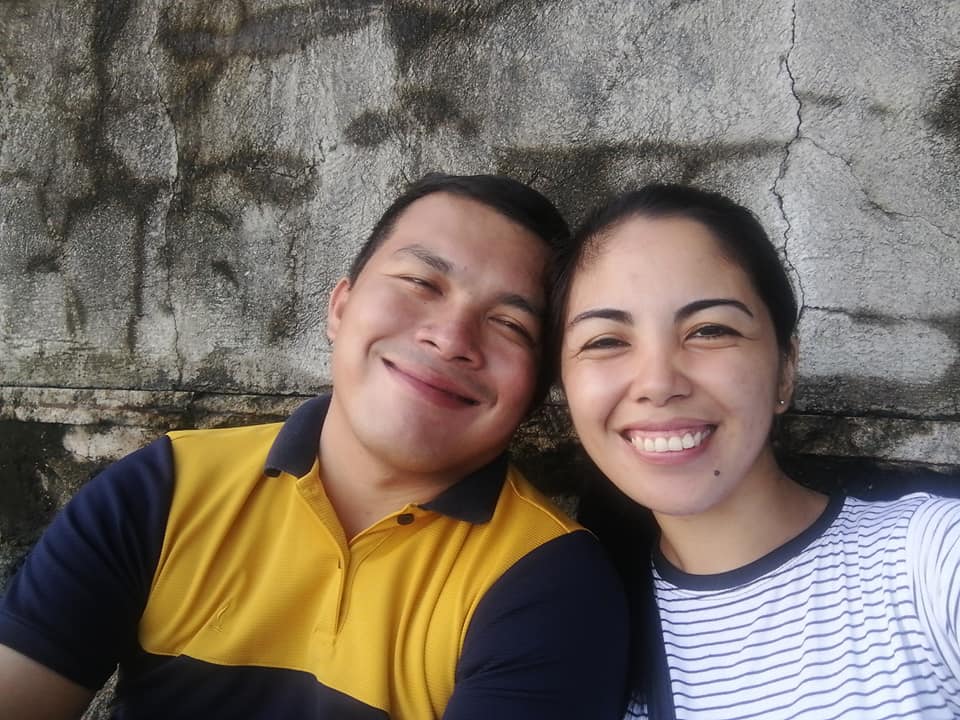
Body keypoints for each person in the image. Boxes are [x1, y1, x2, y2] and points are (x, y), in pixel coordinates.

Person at [0, 173, 629, 719]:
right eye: (421, 282)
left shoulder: (548, 583)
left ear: (539, 390)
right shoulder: (166, 488)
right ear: (341, 306)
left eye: (509, 323)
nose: (450, 337)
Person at [550, 183, 960, 719]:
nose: (657, 383)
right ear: (564, 387)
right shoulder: (576, 644)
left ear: (785, 368)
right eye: (606, 341)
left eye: (709, 330)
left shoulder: (930, 560)